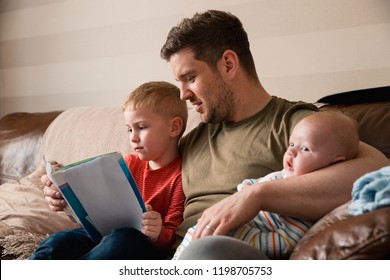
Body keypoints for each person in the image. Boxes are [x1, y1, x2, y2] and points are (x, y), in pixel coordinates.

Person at [44, 10, 388, 259]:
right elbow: (140, 197)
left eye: (190, 78)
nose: (182, 94)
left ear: (228, 64)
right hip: (161, 254)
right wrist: (77, 197)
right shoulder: (192, 138)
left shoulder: (295, 124)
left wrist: (256, 195)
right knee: (61, 245)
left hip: (219, 254)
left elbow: (375, 169)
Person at [30, 81, 188, 259]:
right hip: (103, 234)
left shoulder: (181, 175)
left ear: (174, 127)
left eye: (141, 127)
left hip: (139, 245)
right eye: (129, 130)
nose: (133, 138)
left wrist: (158, 233)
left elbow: (174, 236)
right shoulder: (128, 163)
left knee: (123, 239)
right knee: (59, 241)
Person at [173, 111, 359, 259]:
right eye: (291, 144)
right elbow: (252, 186)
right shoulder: (284, 174)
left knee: (204, 249)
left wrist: (240, 232)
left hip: (228, 241)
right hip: (194, 237)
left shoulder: (306, 204)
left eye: (305, 149)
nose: (291, 152)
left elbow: (284, 242)